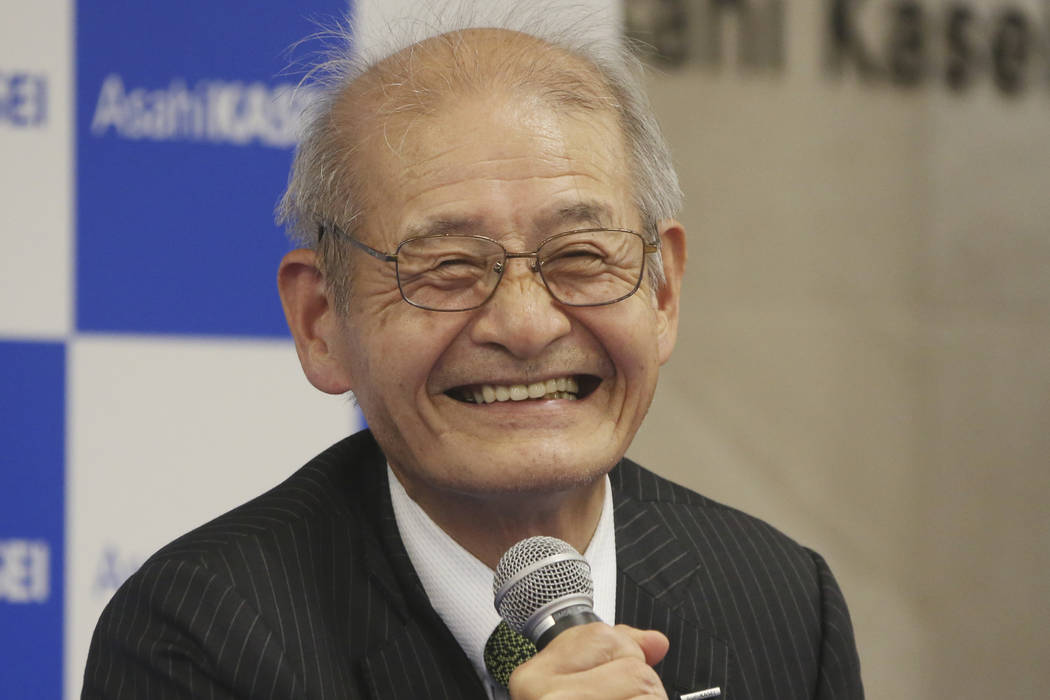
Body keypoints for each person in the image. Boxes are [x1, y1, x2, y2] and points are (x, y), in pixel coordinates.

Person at [83, 15, 864, 700]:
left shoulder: (785, 600)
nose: (524, 326)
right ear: (322, 322)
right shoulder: (200, 635)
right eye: (447, 267)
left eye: (581, 254)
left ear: (661, 294)